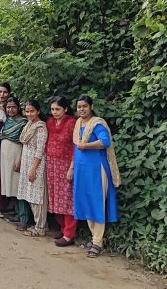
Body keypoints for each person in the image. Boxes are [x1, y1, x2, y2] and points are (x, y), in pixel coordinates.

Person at [72, 95, 121, 258]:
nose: (81, 109)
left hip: (96, 169)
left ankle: (98, 242)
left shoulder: (97, 123)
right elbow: (76, 147)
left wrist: (86, 145)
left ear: (91, 107)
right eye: (79, 106)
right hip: (81, 169)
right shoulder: (78, 123)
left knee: (96, 203)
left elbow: (105, 142)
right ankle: (94, 239)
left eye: (84, 106)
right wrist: (71, 168)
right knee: (86, 202)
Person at [46, 96, 78, 247]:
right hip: (51, 164)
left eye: (58, 109)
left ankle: (69, 234)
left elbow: (75, 146)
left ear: (65, 109)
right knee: (54, 197)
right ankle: (62, 227)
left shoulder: (72, 123)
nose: (55, 112)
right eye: (52, 109)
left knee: (66, 199)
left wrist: (72, 167)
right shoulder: (50, 123)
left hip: (66, 165)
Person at [18, 99, 48, 237]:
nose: (29, 114)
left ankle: (40, 227)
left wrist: (33, 168)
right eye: (27, 111)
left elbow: (40, 150)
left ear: (38, 111)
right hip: (26, 163)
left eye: (32, 111)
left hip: (36, 164)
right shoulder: (29, 124)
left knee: (37, 196)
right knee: (29, 195)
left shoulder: (41, 127)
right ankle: (39, 224)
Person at [0, 97, 28, 227]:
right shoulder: (8, 121)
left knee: (18, 186)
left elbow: (24, 143)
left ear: (18, 108)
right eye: (8, 107)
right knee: (10, 185)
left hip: (16, 154)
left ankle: (24, 217)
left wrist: (20, 159)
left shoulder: (23, 122)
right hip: (5, 156)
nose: (11, 110)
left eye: (13, 107)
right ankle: (17, 213)